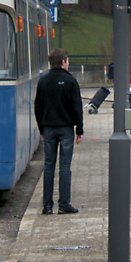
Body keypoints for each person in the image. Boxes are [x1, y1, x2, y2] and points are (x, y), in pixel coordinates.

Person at [34, 48, 84, 215]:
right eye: (67, 61)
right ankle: (64, 204)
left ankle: (47, 206)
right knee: (65, 166)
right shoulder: (70, 82)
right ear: (63, 62)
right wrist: (79, 129)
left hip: (48, 128)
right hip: (66, 129)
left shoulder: (43, 81)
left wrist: (42, 127)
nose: (68, 64)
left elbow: (38, 107)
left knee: (48, 166)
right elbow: (77, 107)